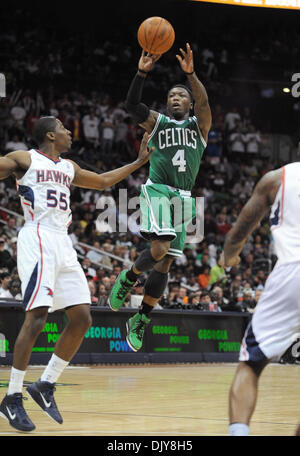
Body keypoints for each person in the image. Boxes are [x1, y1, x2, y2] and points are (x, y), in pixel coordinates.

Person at [0, 116, 152, 432]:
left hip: (63, 241)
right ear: (51, 135)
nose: (71, 133)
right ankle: (12, 395)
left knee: (82, 318)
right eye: (65, 130)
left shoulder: (69, 167)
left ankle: (45, 385)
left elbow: (103, 181)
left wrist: (139, 161)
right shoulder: (24, 159)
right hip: (38, 236)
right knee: (38, 316)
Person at [109, 43, 211, 352]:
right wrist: (141, 72)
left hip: (183, 198)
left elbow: (206, 102)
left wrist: (190, 75)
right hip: (157, 189)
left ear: (190, 104)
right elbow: (130, 106)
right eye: (171, 97)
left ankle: (141, 318)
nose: (175, 99)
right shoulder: (157, 122)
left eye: (181, 96)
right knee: (160, 248)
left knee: (165, 263)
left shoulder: (200, 126)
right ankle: (129, 277)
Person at [220, 162, 300, 436]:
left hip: (293, 272)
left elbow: (239, 232)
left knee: (251, 364)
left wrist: (230, 255)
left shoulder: (277, 179)